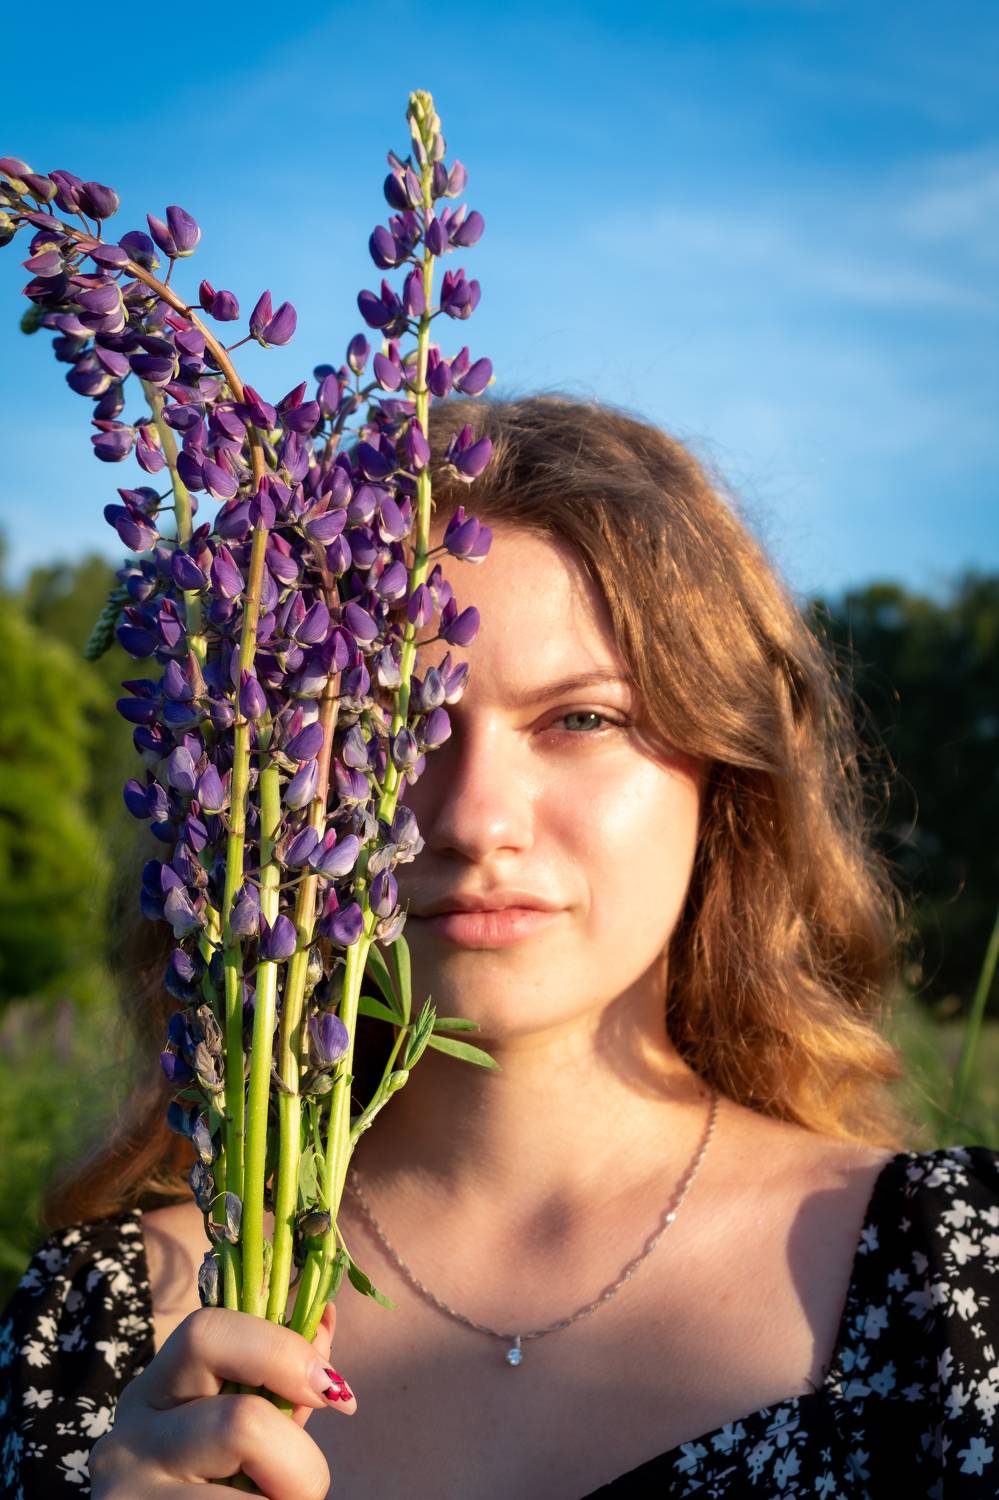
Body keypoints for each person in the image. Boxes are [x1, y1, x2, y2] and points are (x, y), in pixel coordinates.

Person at [1, 396, 995, 1499]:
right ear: (252, 789)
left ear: (726, 777)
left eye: (582, 719)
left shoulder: (953, 1268)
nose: (474, 820)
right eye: (386, 723)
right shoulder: (95, 1325)